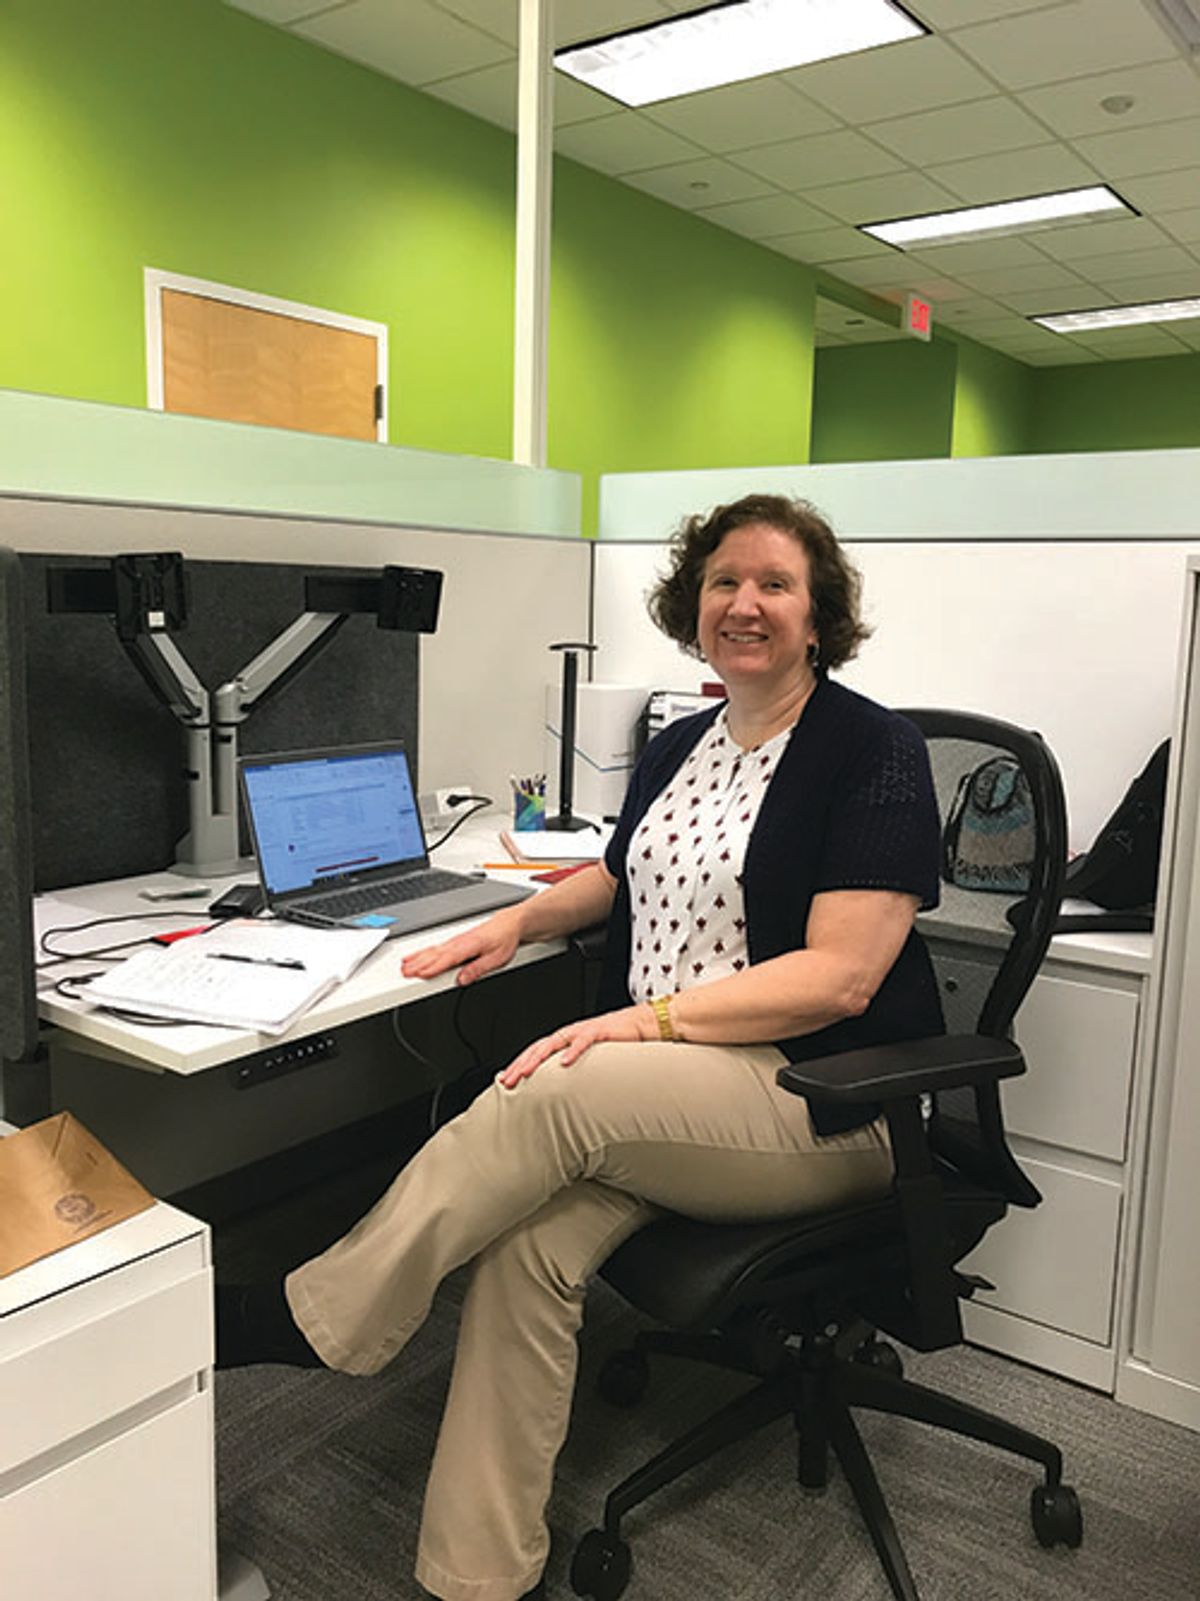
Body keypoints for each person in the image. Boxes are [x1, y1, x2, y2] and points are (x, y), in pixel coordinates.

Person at [218, 492, 944, 1601]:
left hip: (823, 1098)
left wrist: (635, 1021)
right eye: (722, 582)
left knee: (569, 1078)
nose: (743, 603)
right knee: (526, 1248)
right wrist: (512, 919)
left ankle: (322, 1312)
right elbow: (621, 871)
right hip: (670, 1101)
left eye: (774, 584)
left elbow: (839, 975)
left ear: (818, 614)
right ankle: (477, 1574)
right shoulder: (685, 742)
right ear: (693, 604)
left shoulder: (872, 750)